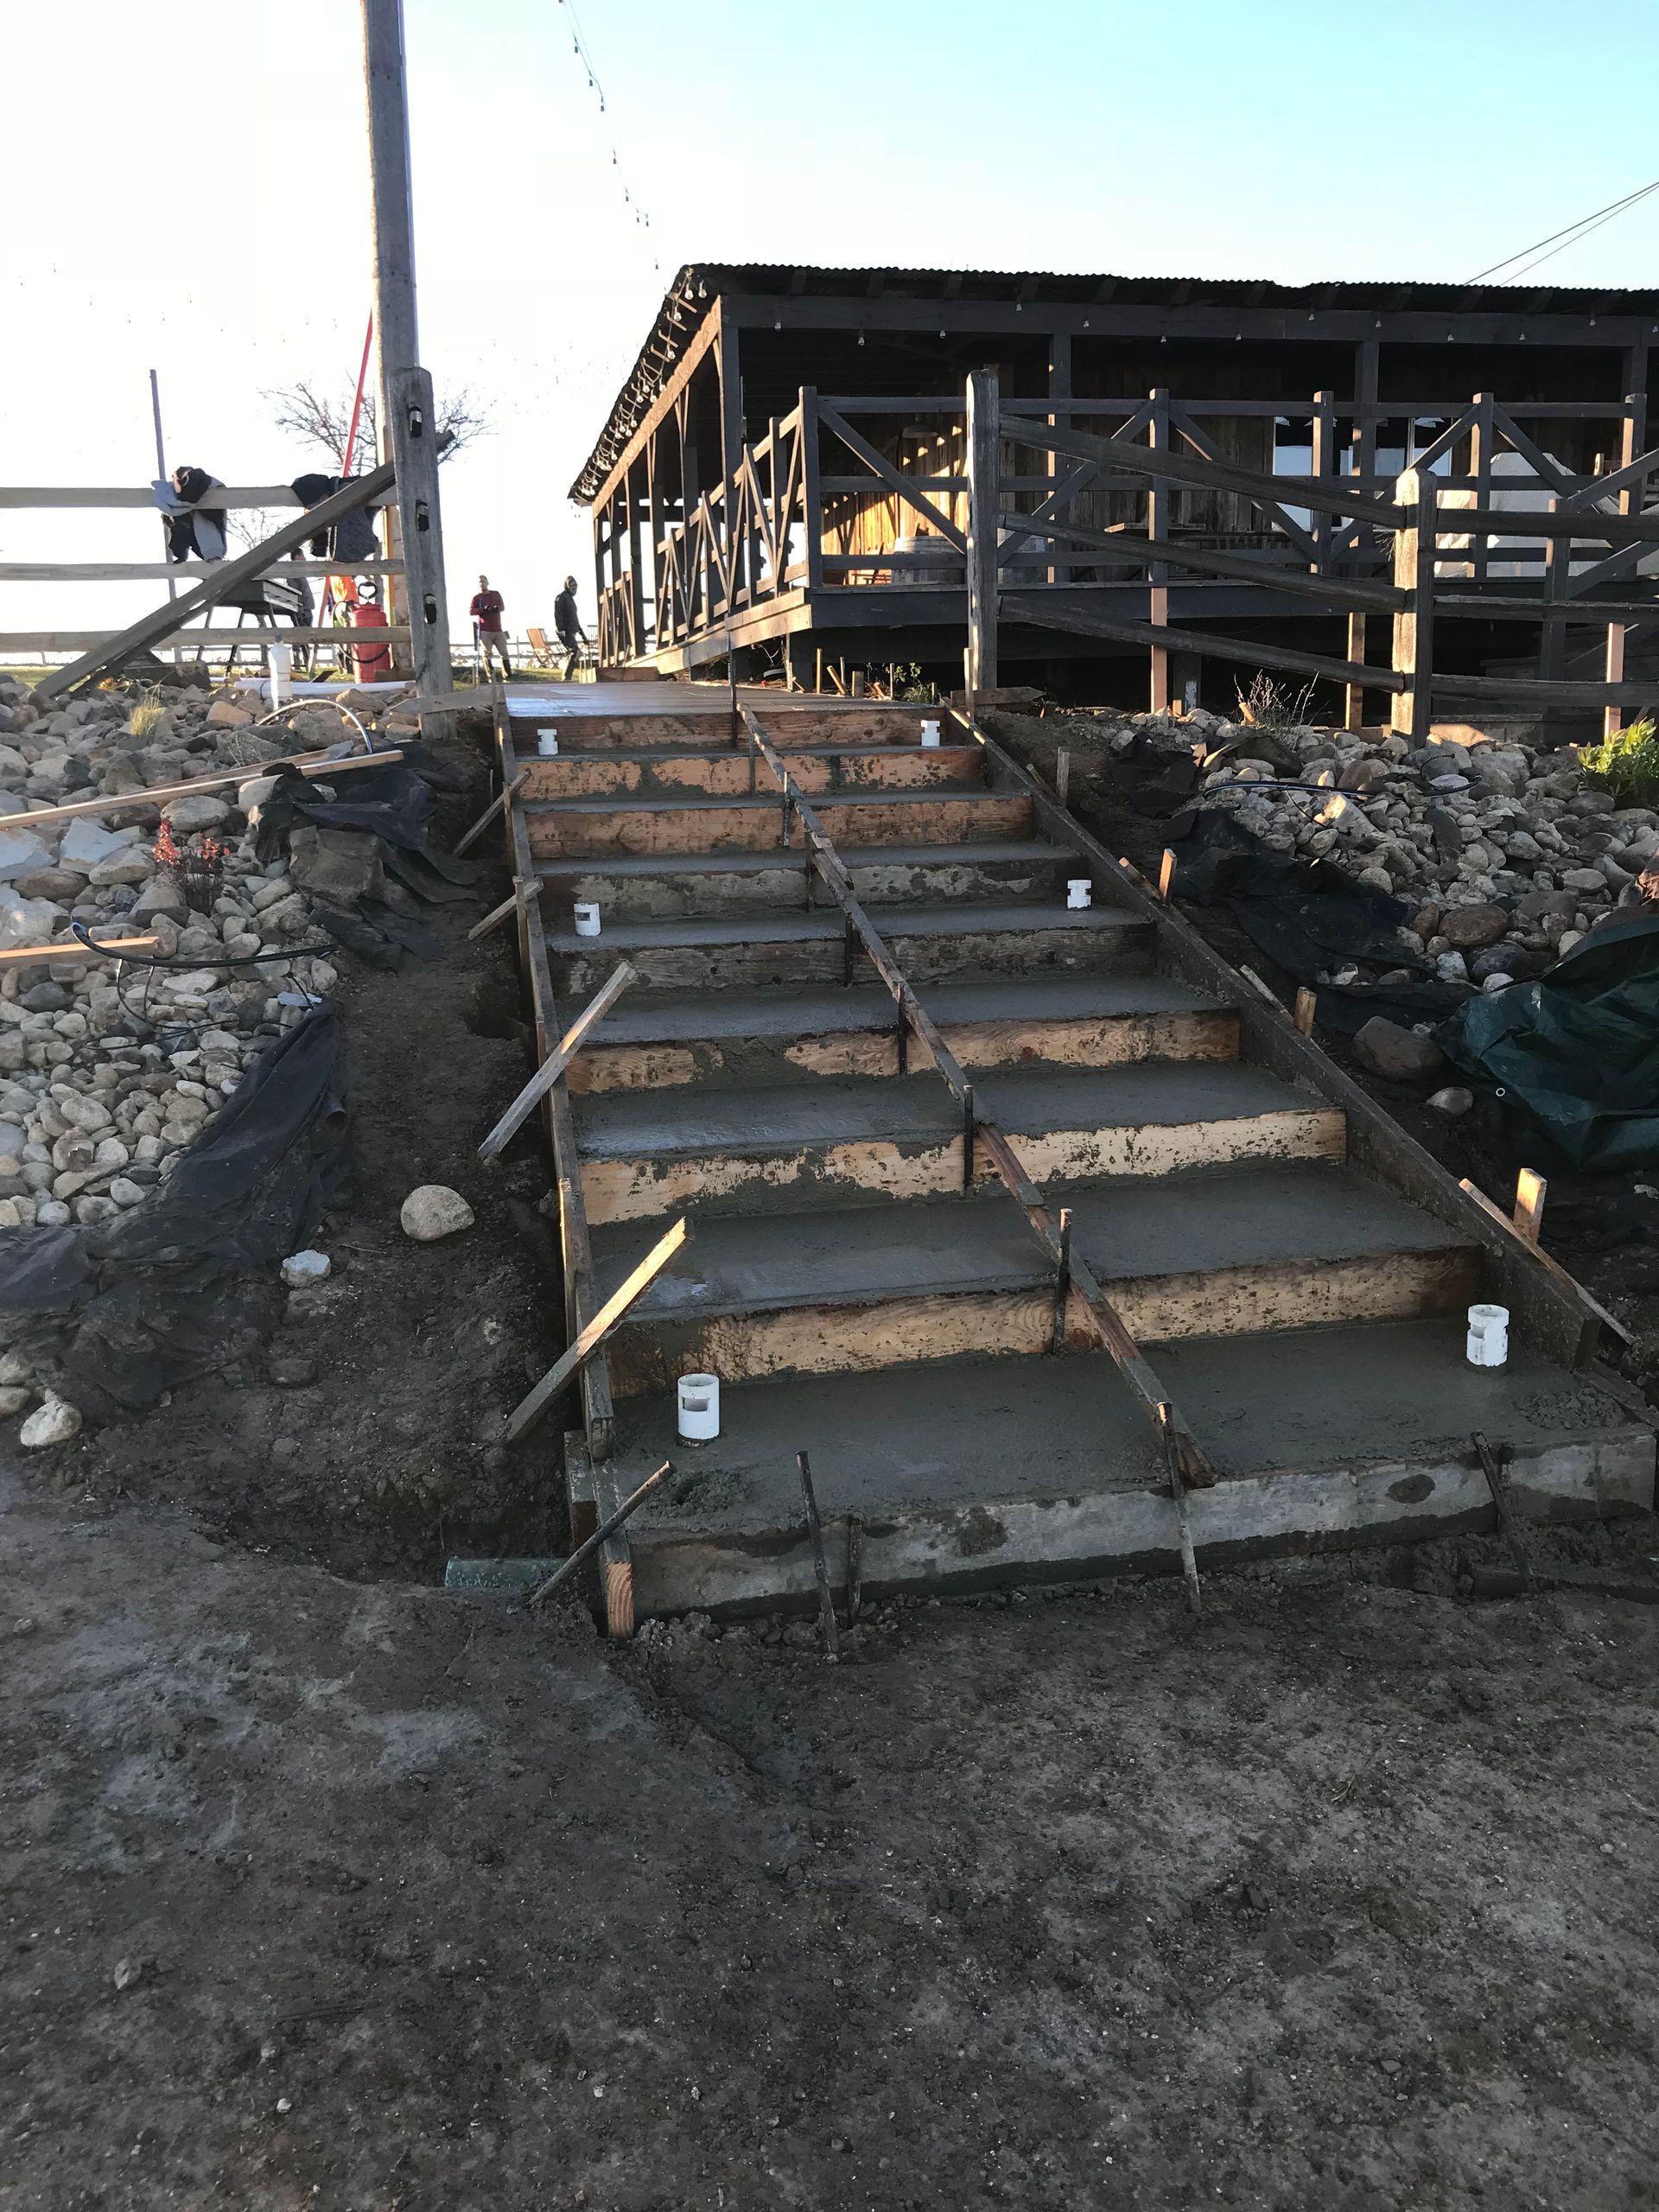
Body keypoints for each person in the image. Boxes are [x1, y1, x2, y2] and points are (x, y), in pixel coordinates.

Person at [470, 574, 511, 683]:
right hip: (485, 630)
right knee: (487, 653)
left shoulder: (496, 594)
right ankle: (491, 675)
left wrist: (495, 608)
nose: (481, 583)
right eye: (480, 582)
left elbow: (502, 607)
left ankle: (507, 675)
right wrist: (483, 609)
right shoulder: (477, 598)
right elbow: (472, 611)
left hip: (497, 629)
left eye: (483, 581)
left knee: (504, 652)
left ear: (487, 583)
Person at [555, 575, 588, 679]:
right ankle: (566, 676)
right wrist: (561, 629)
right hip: (566, 631)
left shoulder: (570, 599)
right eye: (572, 585)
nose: (574, 588)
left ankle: (566, 675)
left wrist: (583, 636)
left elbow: (575, 619)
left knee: (576, 653)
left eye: (575, 585)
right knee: (575, 652)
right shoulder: (562, 597)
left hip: (572, 631)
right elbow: (558, 614)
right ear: (567, 586)